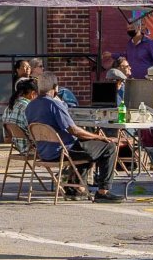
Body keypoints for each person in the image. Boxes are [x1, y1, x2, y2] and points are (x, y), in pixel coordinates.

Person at [24, 72, 121, 202]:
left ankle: (76, 188)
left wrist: (91, 138)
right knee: (109, 147)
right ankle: (103, 191)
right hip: (62, 151)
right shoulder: (54, 104)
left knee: (87, 145)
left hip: (44, 152)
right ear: (55, 87)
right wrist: (98, 137)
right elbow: (73, 130)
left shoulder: (30, 106)